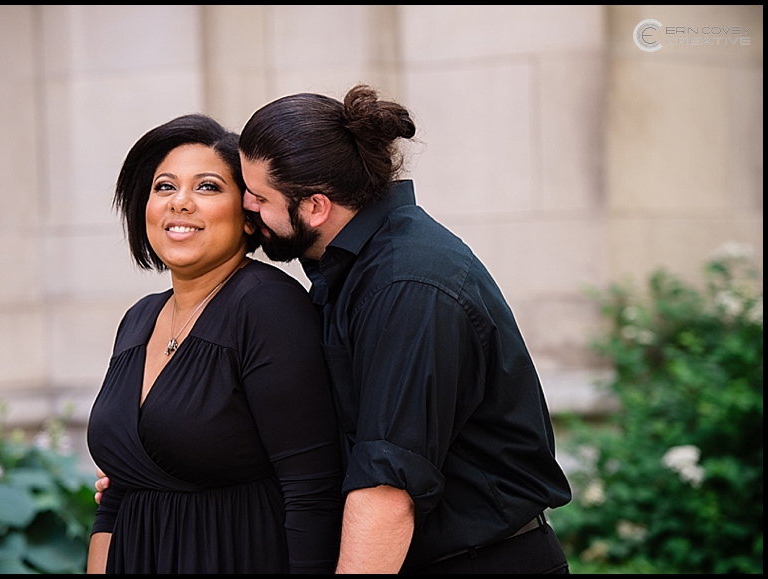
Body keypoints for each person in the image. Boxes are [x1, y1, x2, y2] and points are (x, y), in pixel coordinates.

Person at [236, 84, 574, 573]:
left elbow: (387, 492)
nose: (247, 208)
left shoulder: (405, 286)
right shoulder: (357, 268)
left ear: (314, 207)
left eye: (259, 196)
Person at [85, 114, 344, 574]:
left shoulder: (268, 307)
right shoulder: (139, 319)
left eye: (206, 187)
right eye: (164, 187)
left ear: (248, 217)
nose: (180, 203)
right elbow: (116, 497)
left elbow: (311, 489)